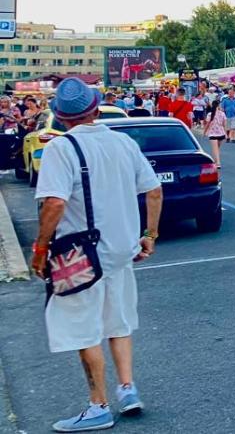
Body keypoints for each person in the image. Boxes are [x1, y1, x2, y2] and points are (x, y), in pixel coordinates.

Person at [31, 77, 163, 432]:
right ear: (95, 110)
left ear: (61, 117)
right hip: (122, 250)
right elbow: (153, 191)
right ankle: (127, 389)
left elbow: (55, 203)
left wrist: (41, 248)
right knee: (118, 321)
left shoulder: (61, 149)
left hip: (81, 257)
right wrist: (149, 235)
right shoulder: (123, 142)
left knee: (83, 329)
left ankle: (98, 406)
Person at [205, 95, 228, 167]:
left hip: (212, 133)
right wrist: (226, 134)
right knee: (217, 148)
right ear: (218, 106)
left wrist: (205, 132)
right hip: (221, 133)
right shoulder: (222, 114)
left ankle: (218, 162)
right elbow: (224, 125)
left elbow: (207, 124)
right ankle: (216, 160)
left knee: (215, 149)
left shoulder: (210, 114)